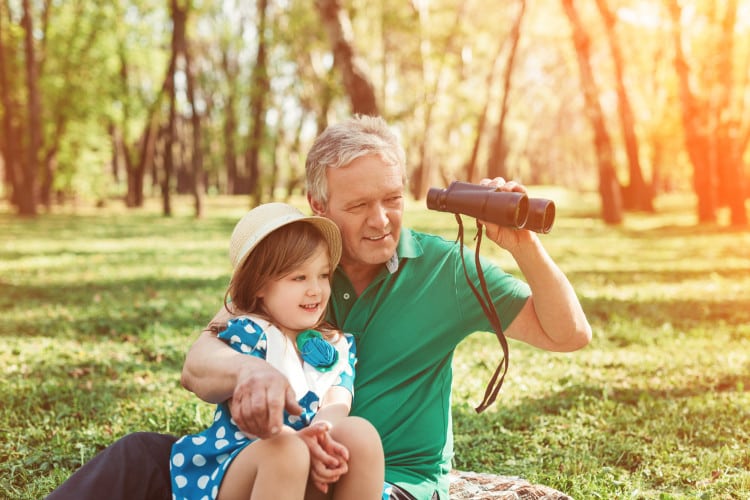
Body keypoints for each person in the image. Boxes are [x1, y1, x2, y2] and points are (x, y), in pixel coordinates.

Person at [47, 115, 591, 500]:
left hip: (385, 479)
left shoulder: (447, 270)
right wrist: (249, 370)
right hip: (287, 459)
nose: (381, 220)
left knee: (340, 447)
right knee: (139, 454)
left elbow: (568, 335)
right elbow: (199, 362)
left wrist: (525, 247)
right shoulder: (290, 265)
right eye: (358, 205)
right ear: (319, 206)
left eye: (392, 199)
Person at [171, 202, 384, 500]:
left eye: (323, 275)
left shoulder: (337, 343)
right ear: (259, 286)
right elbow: (251, 415)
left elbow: (338, 403)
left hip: (312, 468)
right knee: (288, 451)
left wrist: (321, 438)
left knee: (360, 434)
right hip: (250, 464)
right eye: (299, 278)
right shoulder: (250, 335)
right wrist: (299, 441)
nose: (315, 289)